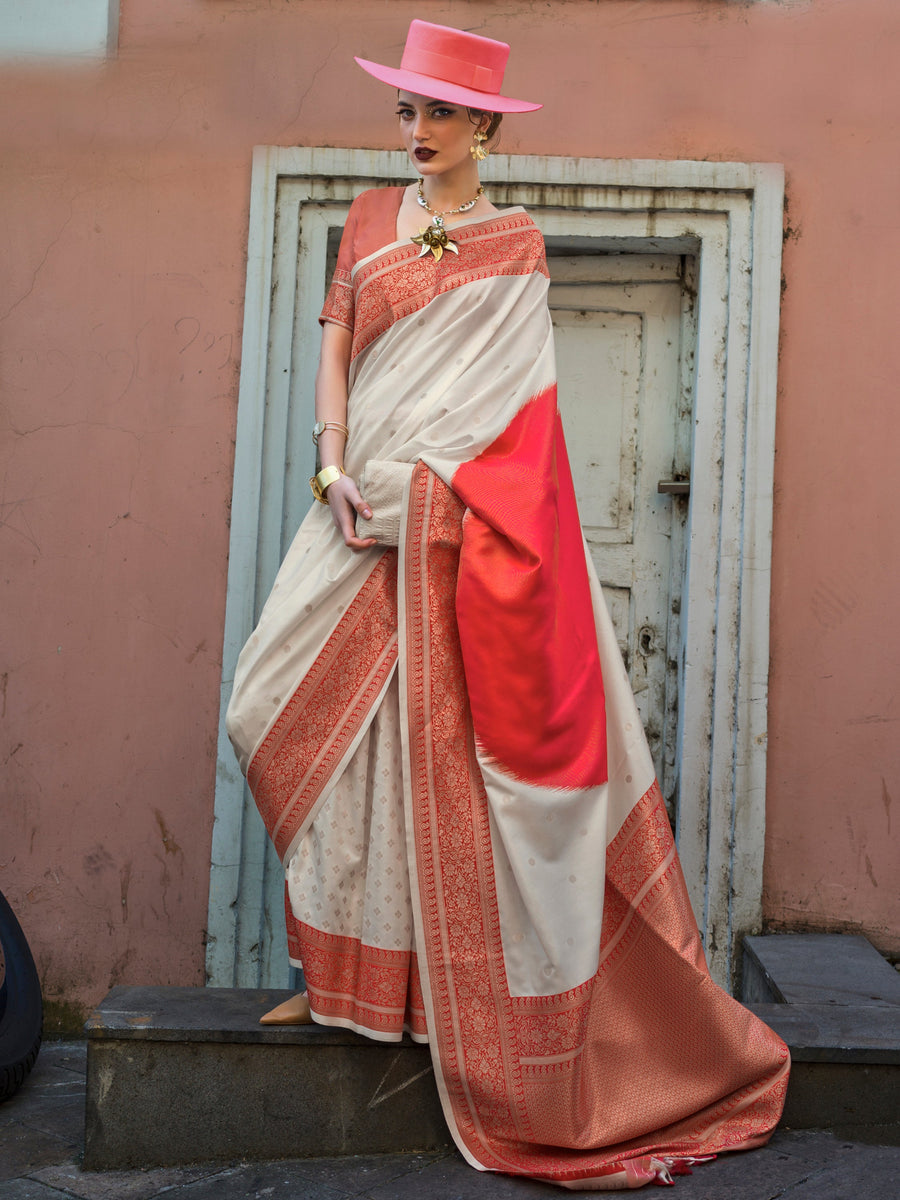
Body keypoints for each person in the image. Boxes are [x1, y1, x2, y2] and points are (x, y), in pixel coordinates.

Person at [225, 19, 790, 1191]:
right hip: (353, 512)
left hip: (448, 527)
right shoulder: (371, 222)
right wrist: (332, 470)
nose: (417, 133)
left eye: (439, 114)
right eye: (407, 112)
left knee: (420, 755)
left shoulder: (518, 244)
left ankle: (410, 998)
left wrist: (434, 495)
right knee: (273, 716)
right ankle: (338, 980)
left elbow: (520, 421)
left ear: (484, 124)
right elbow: (334, 344)